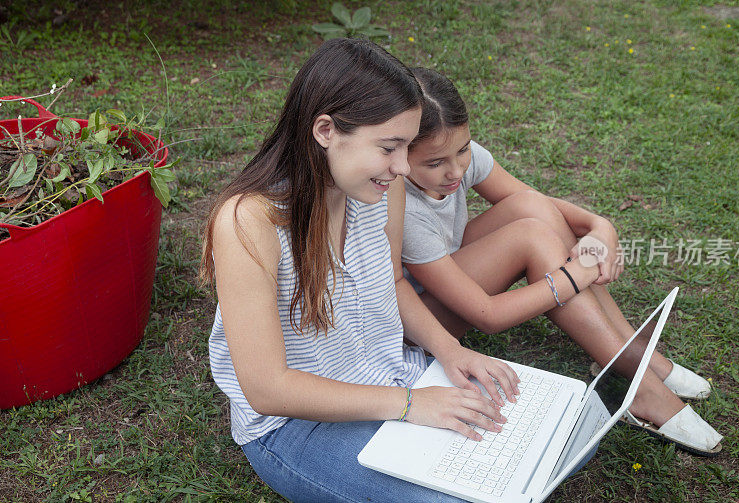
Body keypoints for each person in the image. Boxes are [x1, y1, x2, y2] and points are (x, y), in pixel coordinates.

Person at [199, 39, 541, 503]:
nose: (402, 167)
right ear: (325, 130)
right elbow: (267, 389)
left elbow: (394, 281)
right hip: (298, 427)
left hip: (391, 374)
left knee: (539, 448)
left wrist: (448, 349)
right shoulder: (249, 221)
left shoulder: (379, 188)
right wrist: (410, 406)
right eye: (389, 147)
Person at [400, 67, 723, 456]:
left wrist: (599, 226)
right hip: (422, 323)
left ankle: (634, 356)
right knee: (532, 236)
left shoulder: (455, 156)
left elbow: (535, 203)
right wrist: (571, 276)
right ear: (399, 153)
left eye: (463, 149)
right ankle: (641, 382)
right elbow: (488, 316)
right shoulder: (402, 207)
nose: (455, 170)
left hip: (453, 273)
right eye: (434, 163)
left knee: (529, 208)